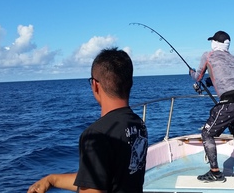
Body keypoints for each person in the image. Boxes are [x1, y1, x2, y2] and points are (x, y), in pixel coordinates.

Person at [27, 47, 148, 193]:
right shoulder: (138, 125)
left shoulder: (96, 135)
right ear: (130, 83)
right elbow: (97, 179)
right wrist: (52, 179)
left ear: (95, 85)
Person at [189, 31, 234, 184]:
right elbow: (231, 78)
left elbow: (198, 77)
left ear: (215, 43)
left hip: (231, 103)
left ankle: (215, 173)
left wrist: (191, 72)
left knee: (207, 134)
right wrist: (211, 82)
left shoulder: (208, 55)